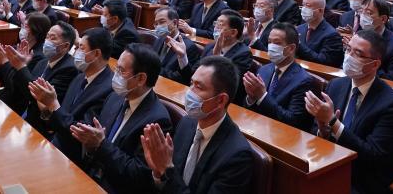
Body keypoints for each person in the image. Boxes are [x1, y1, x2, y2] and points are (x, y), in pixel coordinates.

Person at [304, 30, 393, 194]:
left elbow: (374, 156)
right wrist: (323, 131)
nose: (349, 56)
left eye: (358, 53)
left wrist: (333, 122)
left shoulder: (392, 104)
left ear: (375, 64)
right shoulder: (336, 85)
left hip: (363, 180)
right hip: (331, 165)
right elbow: (316, 130)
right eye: (348, 49)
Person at [61, 43, 173, 194]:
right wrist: (90, 145)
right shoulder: (114, 97)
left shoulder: (157, 120)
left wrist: (100, 144)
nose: (115, 75)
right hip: (89, 175)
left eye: (121, 70)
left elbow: (138, 175)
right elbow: (95, 143)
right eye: (117, 68)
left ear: (141, 78)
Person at [139, 56, 254, 194]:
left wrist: (167, 170)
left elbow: (171, 174)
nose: (189, 92)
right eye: (191, 83)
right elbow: (169, 179)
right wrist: (158, 173)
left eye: (198, 87)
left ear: (221, 100)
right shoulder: (187, 123)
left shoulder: (237, 156)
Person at [29, 27, 115, 164]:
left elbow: (81, 133)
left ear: (96, 53)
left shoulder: (109, 89)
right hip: (55, 143)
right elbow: (64, 113)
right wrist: (47, 110)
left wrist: (53, 105)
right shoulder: (80, 77)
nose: (75, 52)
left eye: (81, 48)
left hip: (74, 158)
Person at [0, 20, 78, 129]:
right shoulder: (42, 62)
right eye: (47, 36)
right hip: (23, 113)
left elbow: (41, 100)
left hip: (42, 124)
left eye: (52, 38)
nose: (47, 41)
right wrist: (8, 66)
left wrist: (20, 67)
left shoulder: (69, 69)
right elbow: (20, 89)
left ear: (65, 46)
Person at [241, 22, 315, 132]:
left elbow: (293, 121)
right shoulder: (263, 69)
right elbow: (248, 108)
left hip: (281, 135)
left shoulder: (304, 81)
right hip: (257, 128)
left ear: (291, 48)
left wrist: (262, 96)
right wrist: (250, 98)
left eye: (277, 43)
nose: (271, 47)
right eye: (269, 42)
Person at [356, 0, 393, 82]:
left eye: (368, 13)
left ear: (383, 19)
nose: (362, 16)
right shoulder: (357, 36)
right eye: (361, 11)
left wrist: (366, 60)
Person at [153, 7, 202, 82]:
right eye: (156, 24)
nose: (158, 26)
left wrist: (154, 70)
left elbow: (181, 78)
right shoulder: (158, 40)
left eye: (162, 22)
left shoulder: (189, 47)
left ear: (175, 23)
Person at [296, 0, 344, 67]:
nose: (304, 9)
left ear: (320, 11)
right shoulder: (299, 28)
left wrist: (299, 45)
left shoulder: (332, 35)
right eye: (303, 5)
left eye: (308, 6)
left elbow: (324, 61)